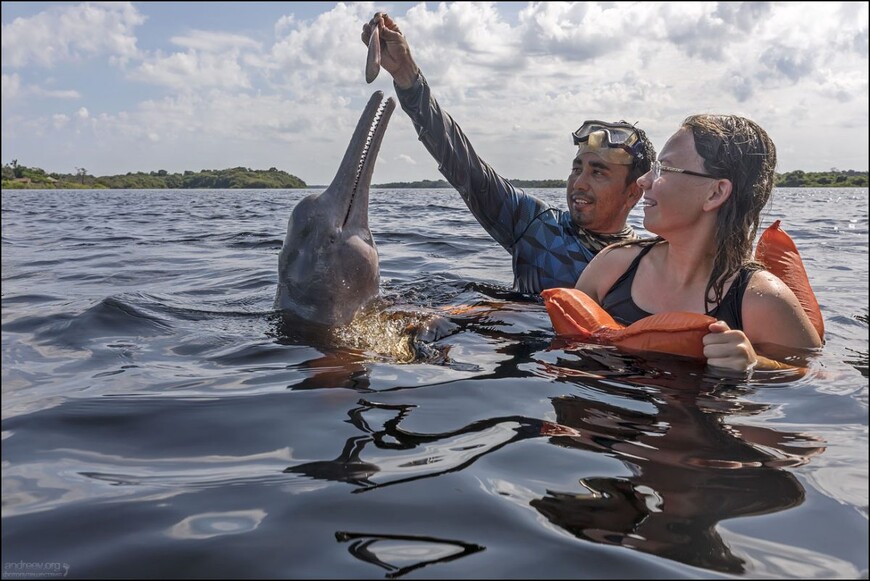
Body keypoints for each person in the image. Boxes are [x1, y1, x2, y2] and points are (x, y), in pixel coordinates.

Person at [361, 13, 655, 294]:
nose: (579, 183)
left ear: (633, 193)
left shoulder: (650, 264)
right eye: (577, 168)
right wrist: (406, 74)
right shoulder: (537, 225)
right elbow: (466, 167)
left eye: (598, 172)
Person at [575, 114, 823, 371]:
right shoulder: (612, 266)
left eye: (663, 169)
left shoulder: (762, 301)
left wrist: (756, 364)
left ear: (715, 193)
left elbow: (821, 379)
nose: (643, 180)